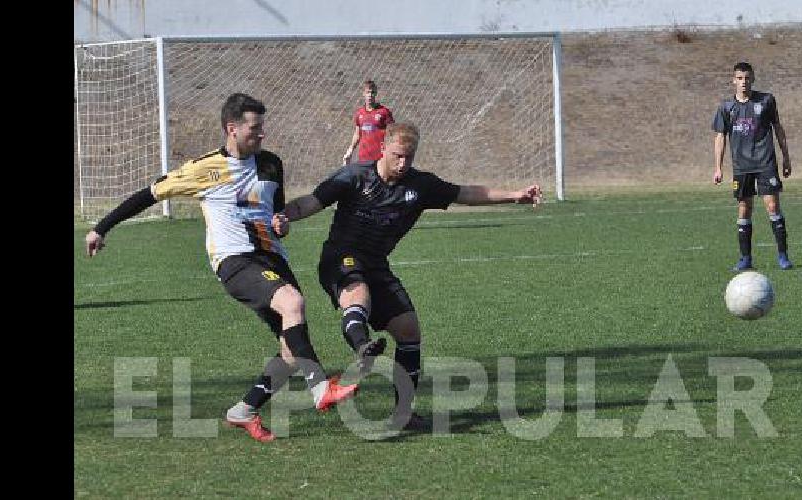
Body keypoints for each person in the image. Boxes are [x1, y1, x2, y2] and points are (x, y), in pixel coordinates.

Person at [83, 93, 359, 443]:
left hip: (273, 259)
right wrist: (101, 228)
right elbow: (150, 194)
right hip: (235, 260)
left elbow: (274, 212)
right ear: (232, 129)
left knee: (291, 349)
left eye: (262, 127)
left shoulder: (271, 163)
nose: (262, 135)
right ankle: (320, 389)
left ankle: (243, 411)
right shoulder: (205, 168)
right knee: (292, 304)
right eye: (254, 128)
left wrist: (281, 223)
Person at [283, 122, 542, 431]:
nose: (403, 164)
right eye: (397, 156)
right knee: (359, 294)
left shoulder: (420, 185)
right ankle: (363, 346)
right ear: (382, 149)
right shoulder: (354, 177)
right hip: (340, 259)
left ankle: (402, 413)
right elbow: (312, 201)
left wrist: (515, 195)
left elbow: (466, 193)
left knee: (408, 330)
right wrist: (286, 215)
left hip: (376, 264)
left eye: (409, 157)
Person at [712, 61, 795, 271]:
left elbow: (778, 129)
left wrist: (786, 157)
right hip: (741, 166)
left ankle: (783, 256)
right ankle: (745, 259)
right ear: (733, 81)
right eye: (739, 78)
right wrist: (718, 167)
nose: (743, 82)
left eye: (747, 78)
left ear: (753, 79)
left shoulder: (766, 101)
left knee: (773, 206)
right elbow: (720, 137)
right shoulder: (726, 108)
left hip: (765, 162)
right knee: (744, 208)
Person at [342, 80, 395, 165]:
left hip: (380, 158)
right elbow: (357, 134)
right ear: (363, 93)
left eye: (372, 92)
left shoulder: (384, 112)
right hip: (363, 158)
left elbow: (392, 133)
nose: (370, 95)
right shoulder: (359, 113)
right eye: (368, 92)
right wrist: (350, 149)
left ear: (376, 93)